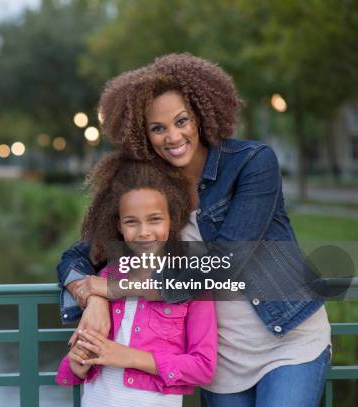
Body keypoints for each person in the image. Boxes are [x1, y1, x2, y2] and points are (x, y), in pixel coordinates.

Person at [57, 53, 331, 407]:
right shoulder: (150, 187)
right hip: (219, 362)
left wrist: (111, 287)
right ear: (144, 134)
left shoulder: (252, 163)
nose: (173, 136)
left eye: (181, 120)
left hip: (288, 339)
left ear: (200, 115)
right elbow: (77, 257)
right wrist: (92, 297)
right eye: (158, 128)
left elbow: (226, 263)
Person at [56, 153, 217, 407]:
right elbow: (75, 367)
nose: (143, 232)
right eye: (132, 222)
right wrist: (75, 363)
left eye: (155, 219)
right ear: (119, 225)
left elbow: (203, 367)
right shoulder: (105, 278)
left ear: (171, 219)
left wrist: (128, 357)